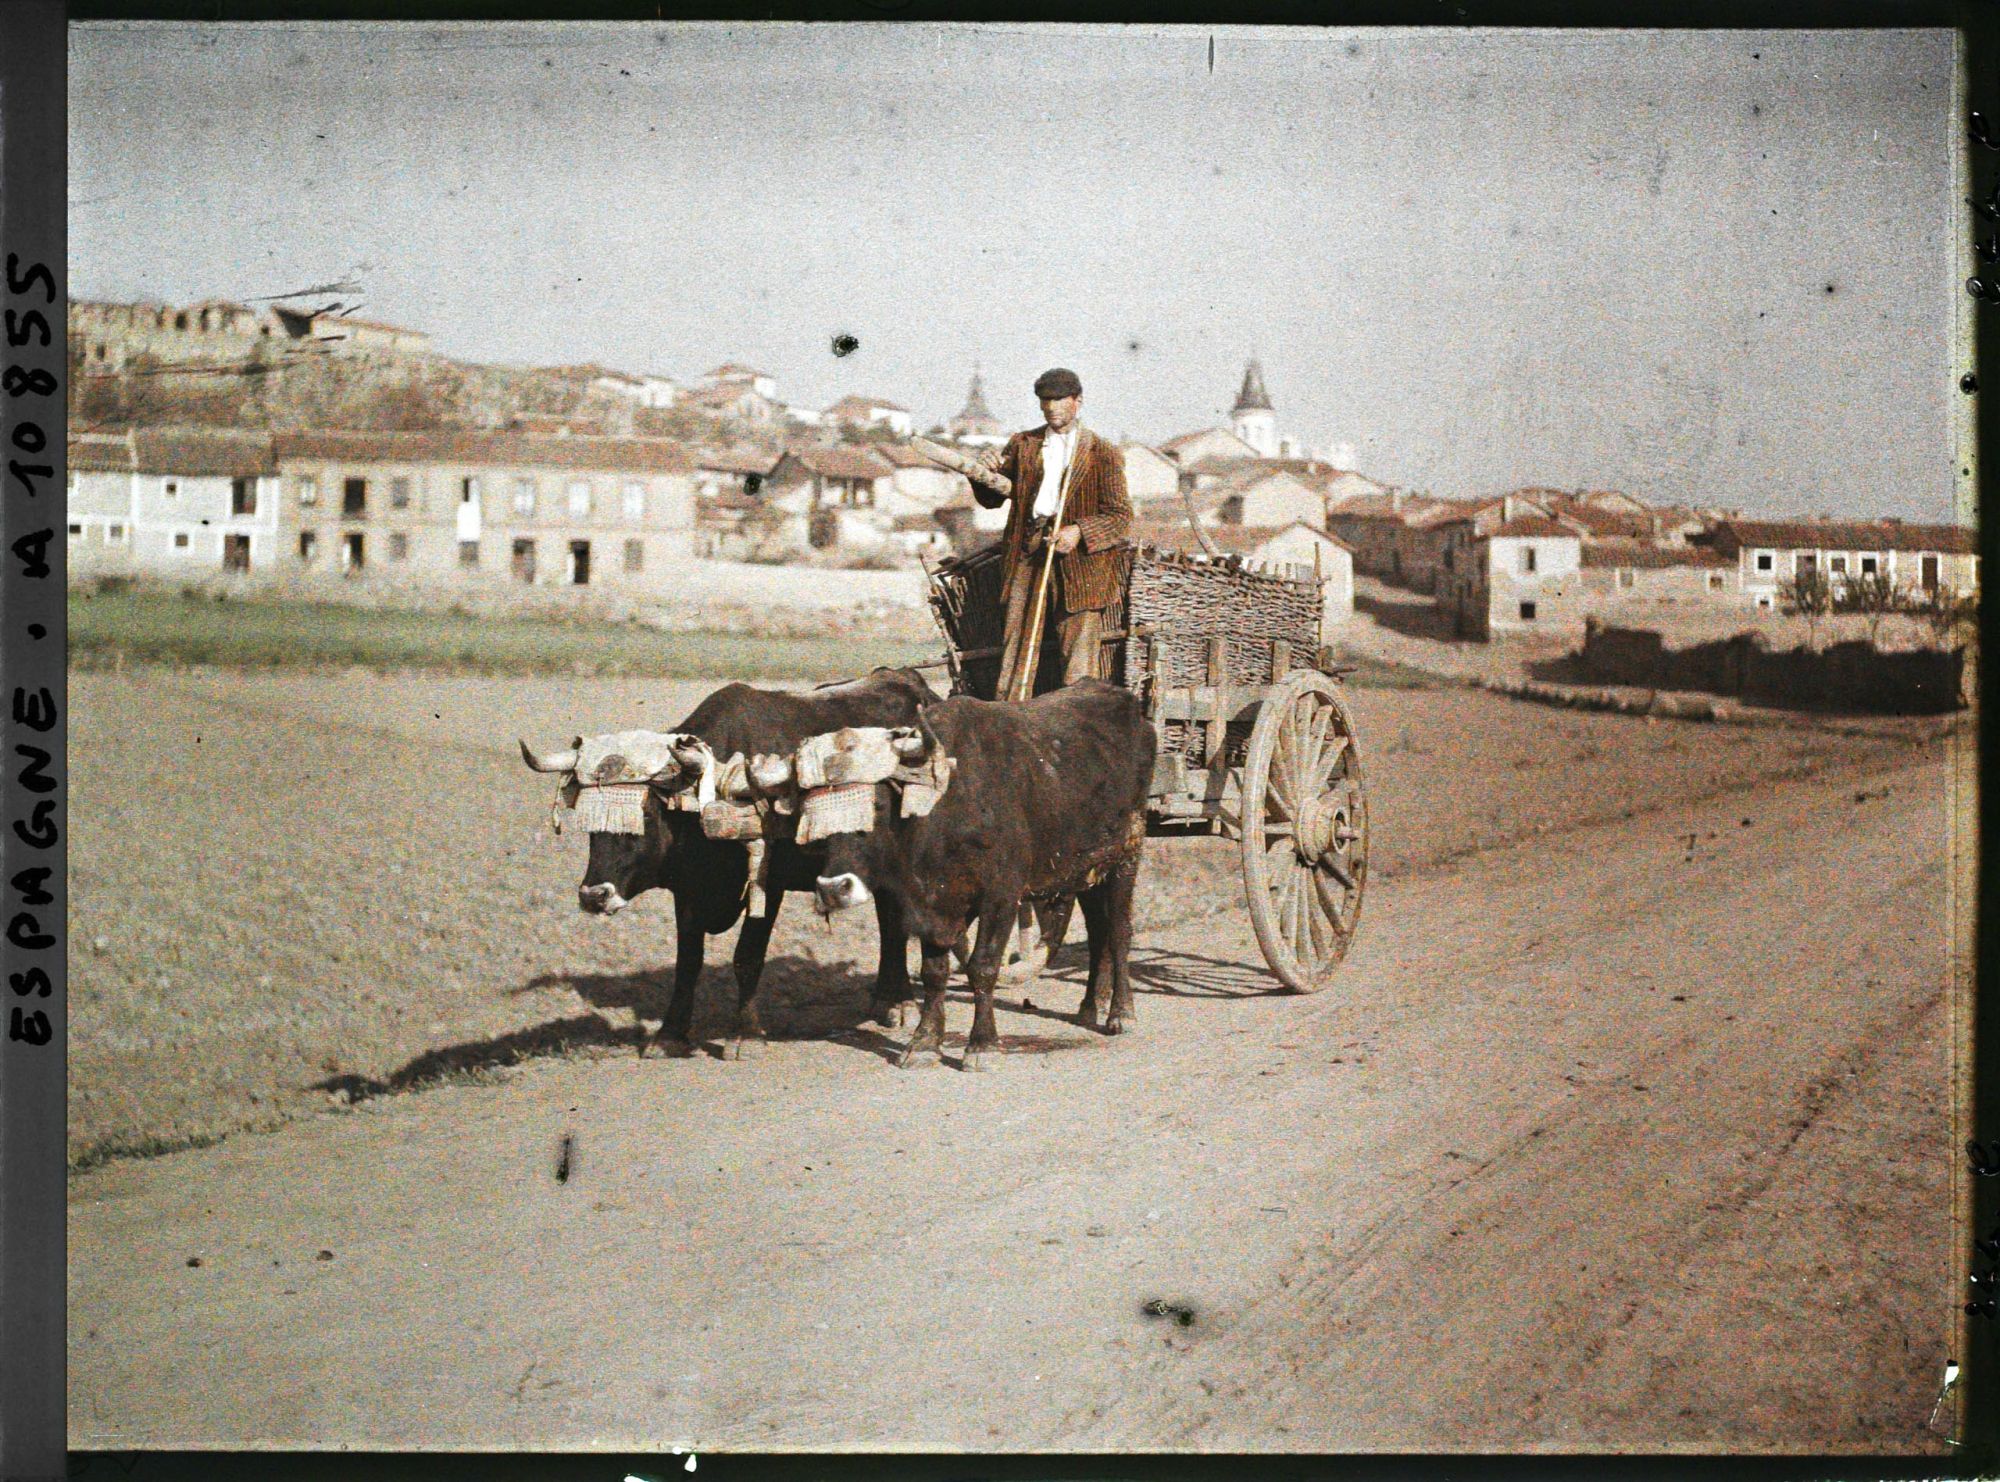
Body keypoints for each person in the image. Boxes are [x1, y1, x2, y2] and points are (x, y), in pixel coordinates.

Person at [974, 367, 1134, 699]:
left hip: (1081, 566)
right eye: (1045, 401)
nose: (1051, 408)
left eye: (1059, 400)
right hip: (1029, 555)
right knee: (1017, 649)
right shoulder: (1024, 444)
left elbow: (1120, 516)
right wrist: (982, 473)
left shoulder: (1102, 452)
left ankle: (1077, 724)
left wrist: (1078, 531)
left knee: (1078, 661)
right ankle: (1012, 716)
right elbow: (991, 498)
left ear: (1078, 401)